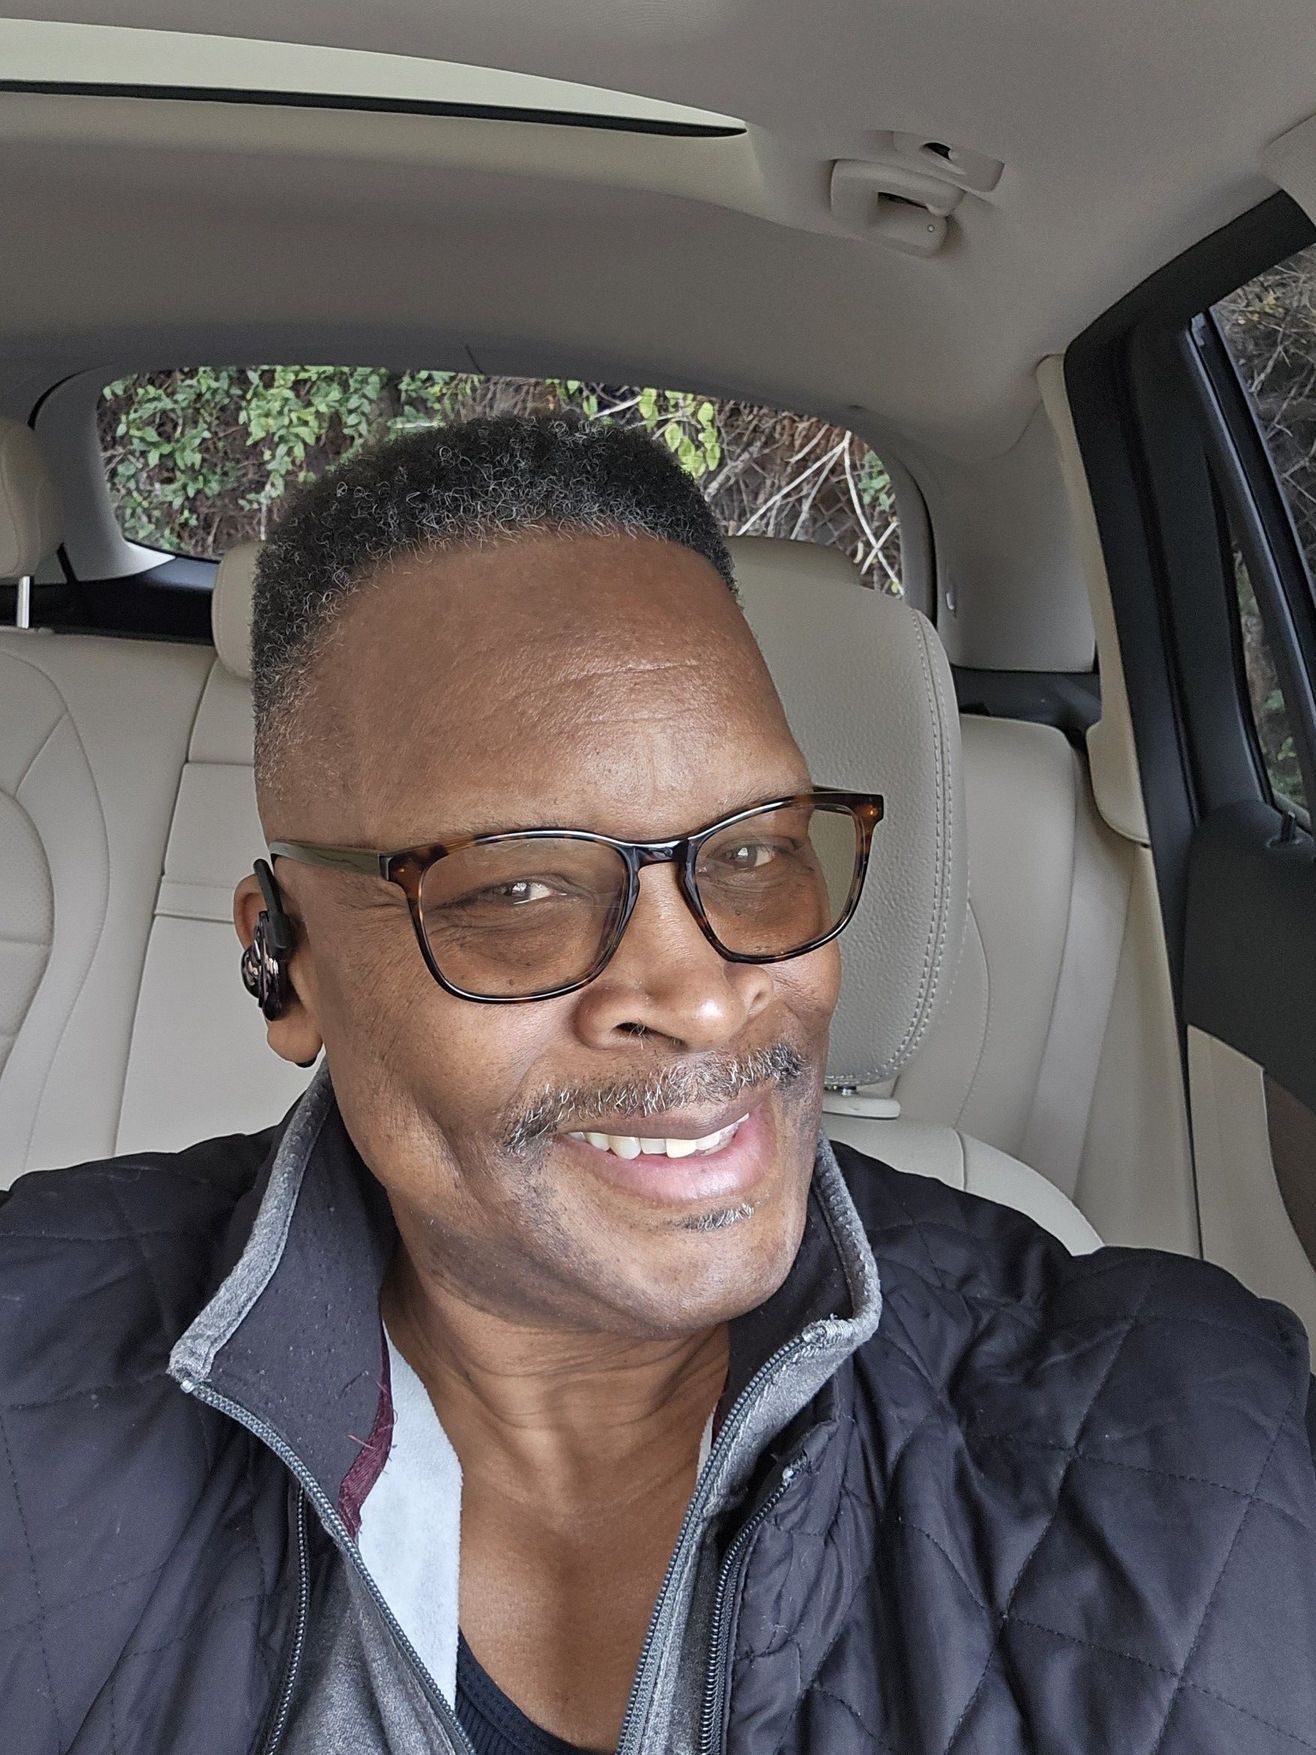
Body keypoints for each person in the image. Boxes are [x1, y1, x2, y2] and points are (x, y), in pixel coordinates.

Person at [2, 414, 1313, 1755]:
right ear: (286, 968)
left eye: (751, 855)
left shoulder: (1195, 1447)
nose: (698, 997)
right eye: (516, 889)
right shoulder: (27, 1366)